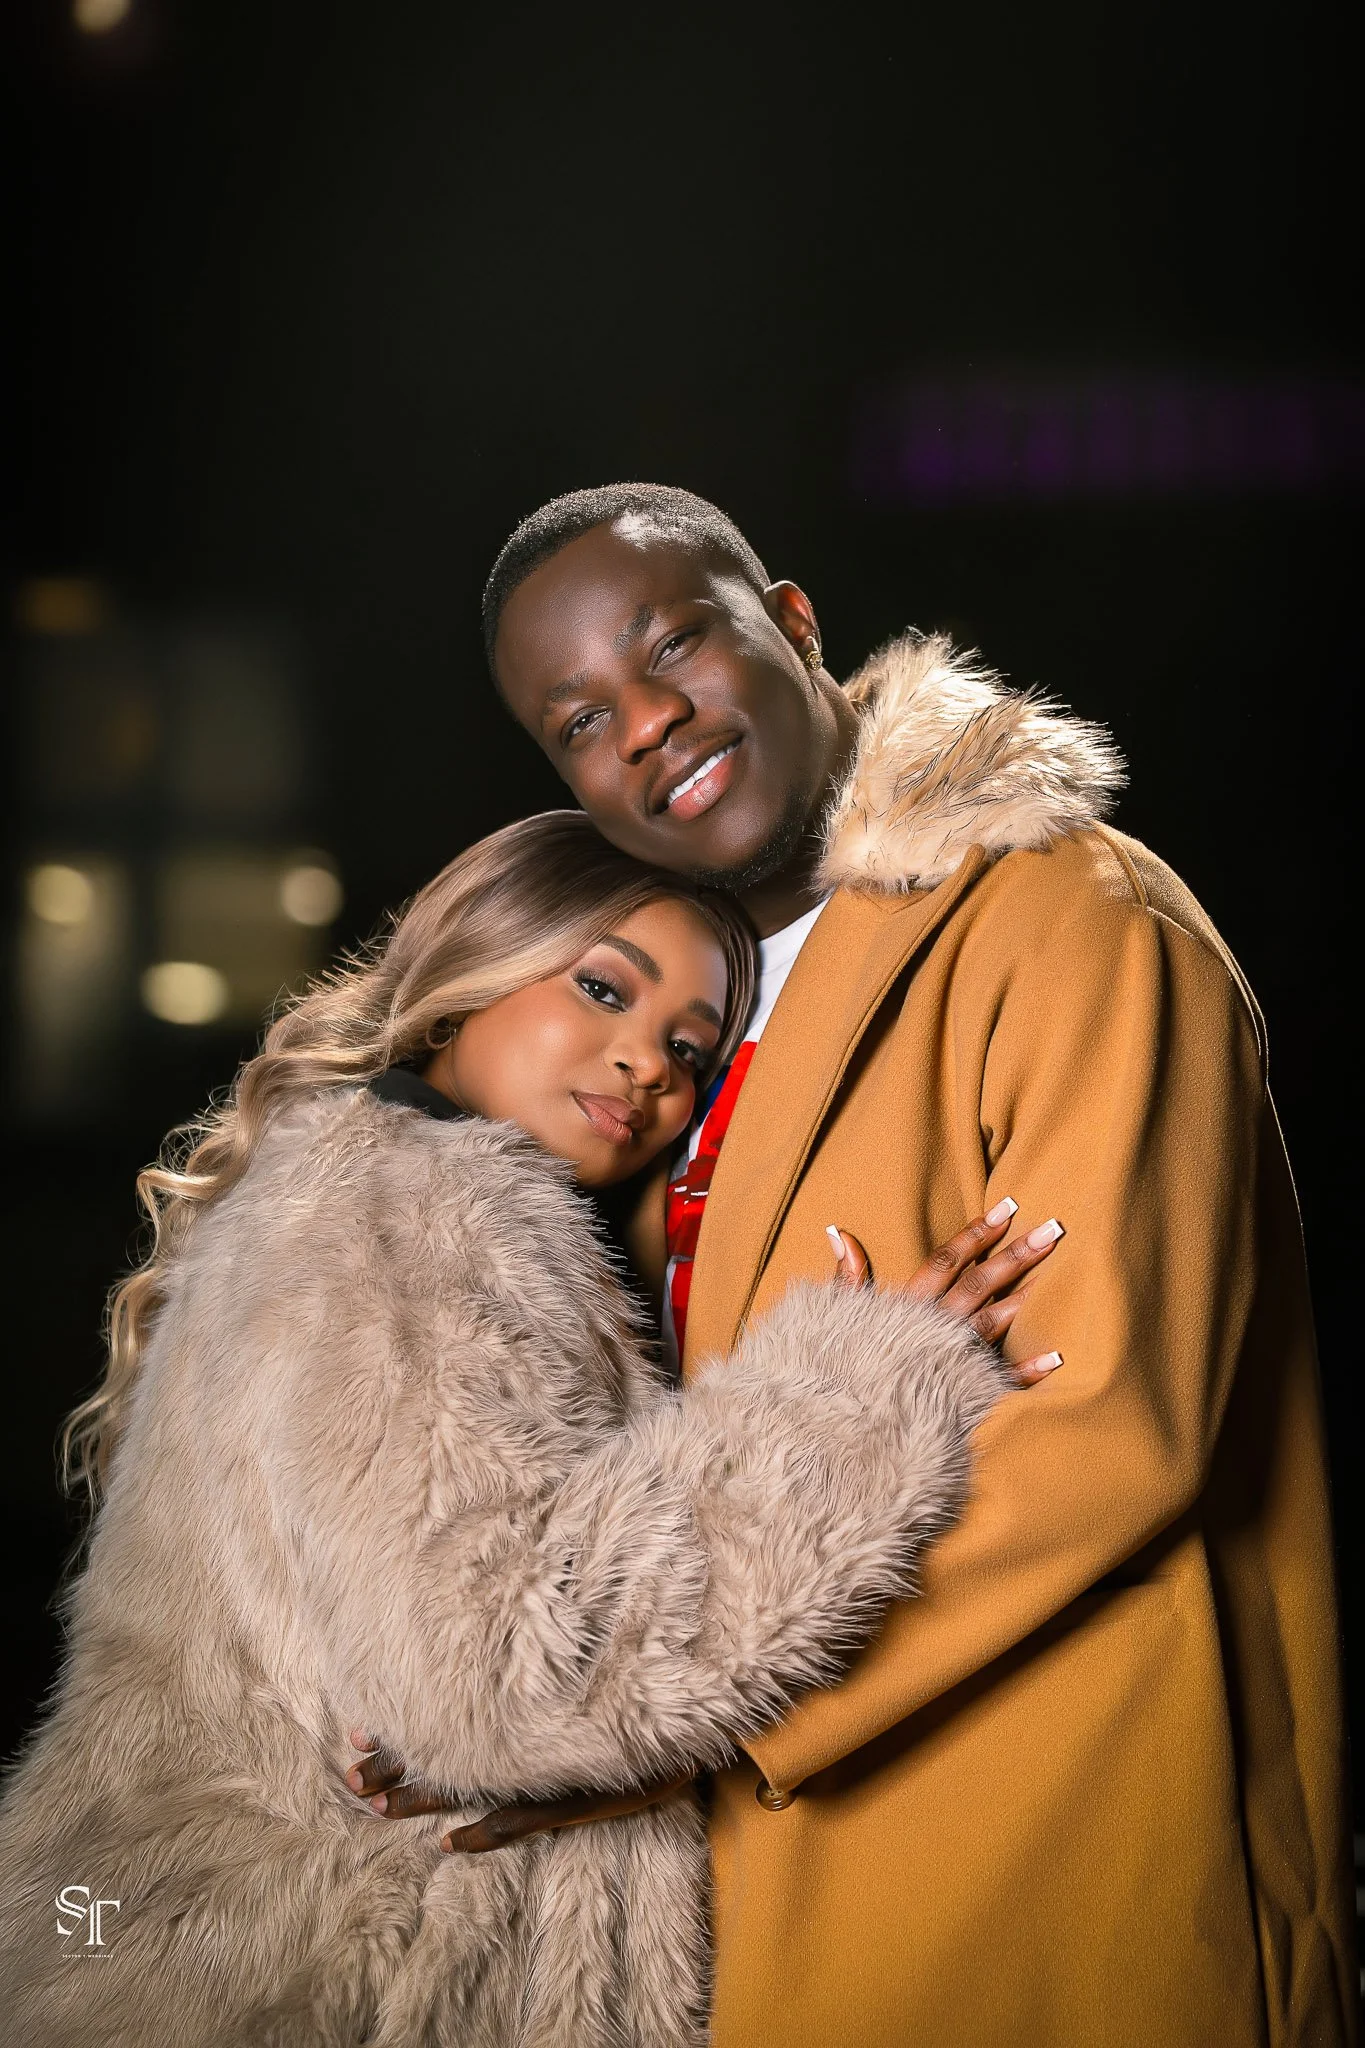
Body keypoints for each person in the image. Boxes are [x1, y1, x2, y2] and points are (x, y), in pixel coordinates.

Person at [360, 484, 1355, 2046]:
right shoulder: (659, 1040)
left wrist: (638, 1722)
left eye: (673, 642)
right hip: (753, 1937)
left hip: (1051, 1890)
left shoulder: (1074, 924)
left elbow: (1109, 1433)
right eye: (577, 722)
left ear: (796, 625)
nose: (643, 725)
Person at [0, 811, 1061, 2048]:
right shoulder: (414, 1207)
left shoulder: (359, 1184)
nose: (646, 1061)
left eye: (690, 1047)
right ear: (467, 981)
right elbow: (507, 1662)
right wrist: (871, 1383)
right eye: (602, 987)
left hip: (155, 1942)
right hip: (290, 1985)